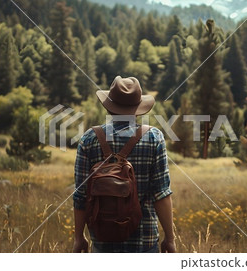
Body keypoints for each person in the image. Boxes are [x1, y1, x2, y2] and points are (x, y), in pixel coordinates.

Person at [72, 76, 176, 253]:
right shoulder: (153, 138)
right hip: (144, 241)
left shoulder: (89, 139)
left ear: (109, 107)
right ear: (137, 108)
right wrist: (170, 239)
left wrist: (79, 237)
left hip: (103, 241)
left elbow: (80, 195)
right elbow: (161, 193)